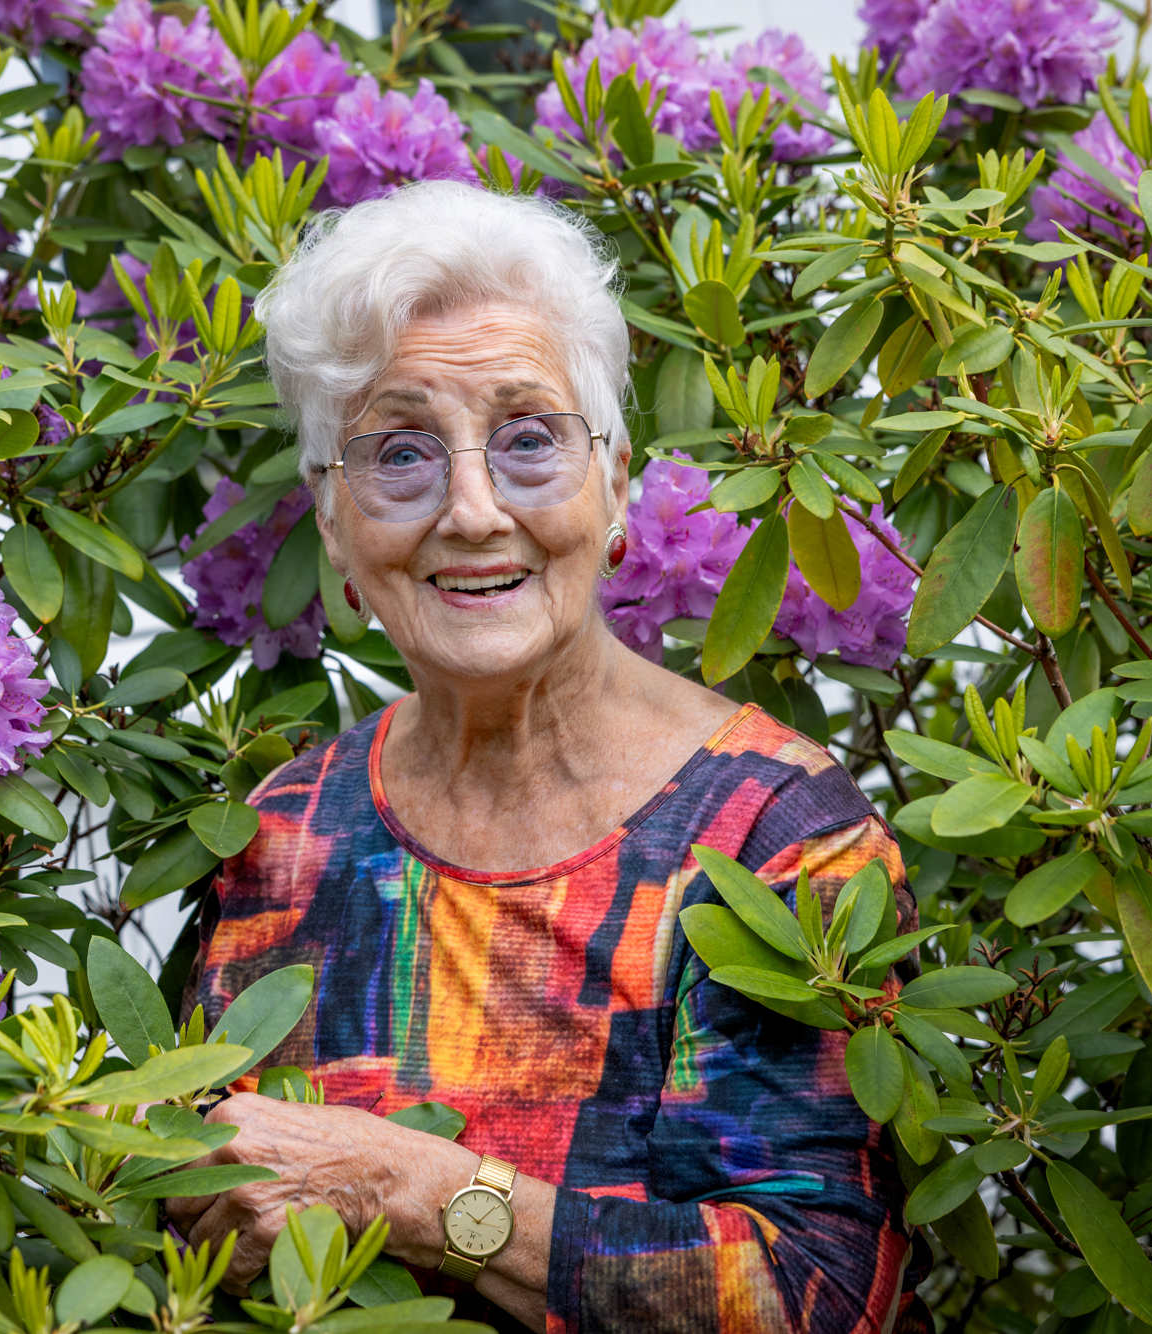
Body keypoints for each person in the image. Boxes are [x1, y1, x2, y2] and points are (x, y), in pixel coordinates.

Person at [166, 181, 920, 1334]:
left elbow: (815, 1295)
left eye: (527, 439)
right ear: (332, 519)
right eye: (399, 451)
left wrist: (415, 1194)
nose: (471, 510)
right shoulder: (284, 835)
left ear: (612, 482)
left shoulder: (771, 835)